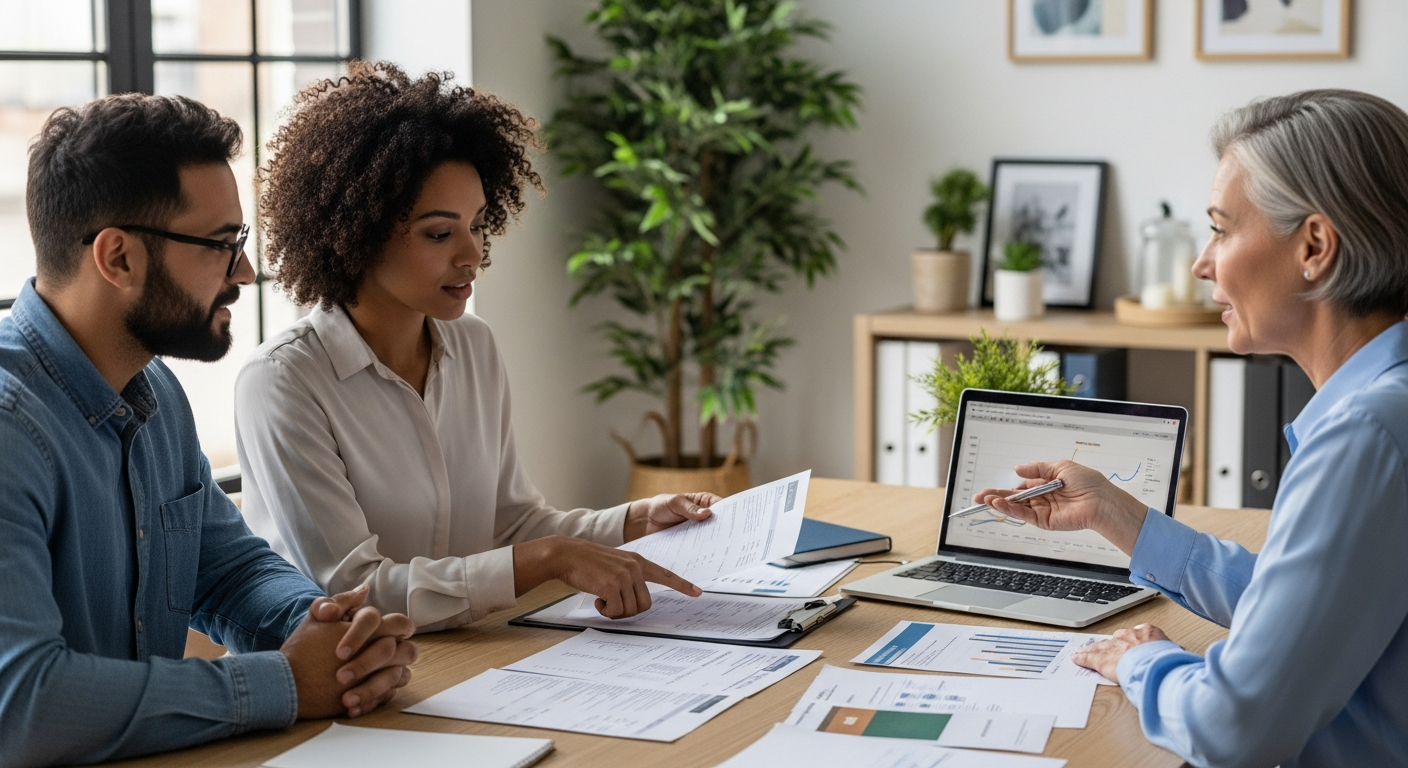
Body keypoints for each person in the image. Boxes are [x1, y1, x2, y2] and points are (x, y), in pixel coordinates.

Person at [975, 89, 1408, 767]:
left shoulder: (1368, 435)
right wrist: (1120, 516)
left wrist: (1142, 660)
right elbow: (1305, 604)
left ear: (1315, 246)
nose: (1202, 263)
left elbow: (1234, 730)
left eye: (1221, 228)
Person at [0, 93, 418, 768]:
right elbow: (21, 706)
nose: (246, 272)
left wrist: (330, 634)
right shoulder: (9, 429)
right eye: (222, 245)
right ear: (118, 258)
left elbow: (224, 571)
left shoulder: (154, 391)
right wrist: (282, 684)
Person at [235, 61, 718, 633]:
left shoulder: (473, 344)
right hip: (348, 681)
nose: (472, 254)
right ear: (356, 234)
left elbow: (511, 524)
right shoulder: (284, 381)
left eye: (478, 224)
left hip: (471, 656)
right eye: (440, 233)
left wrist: (634, 520)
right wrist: (552, 558)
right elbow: (352, 590)